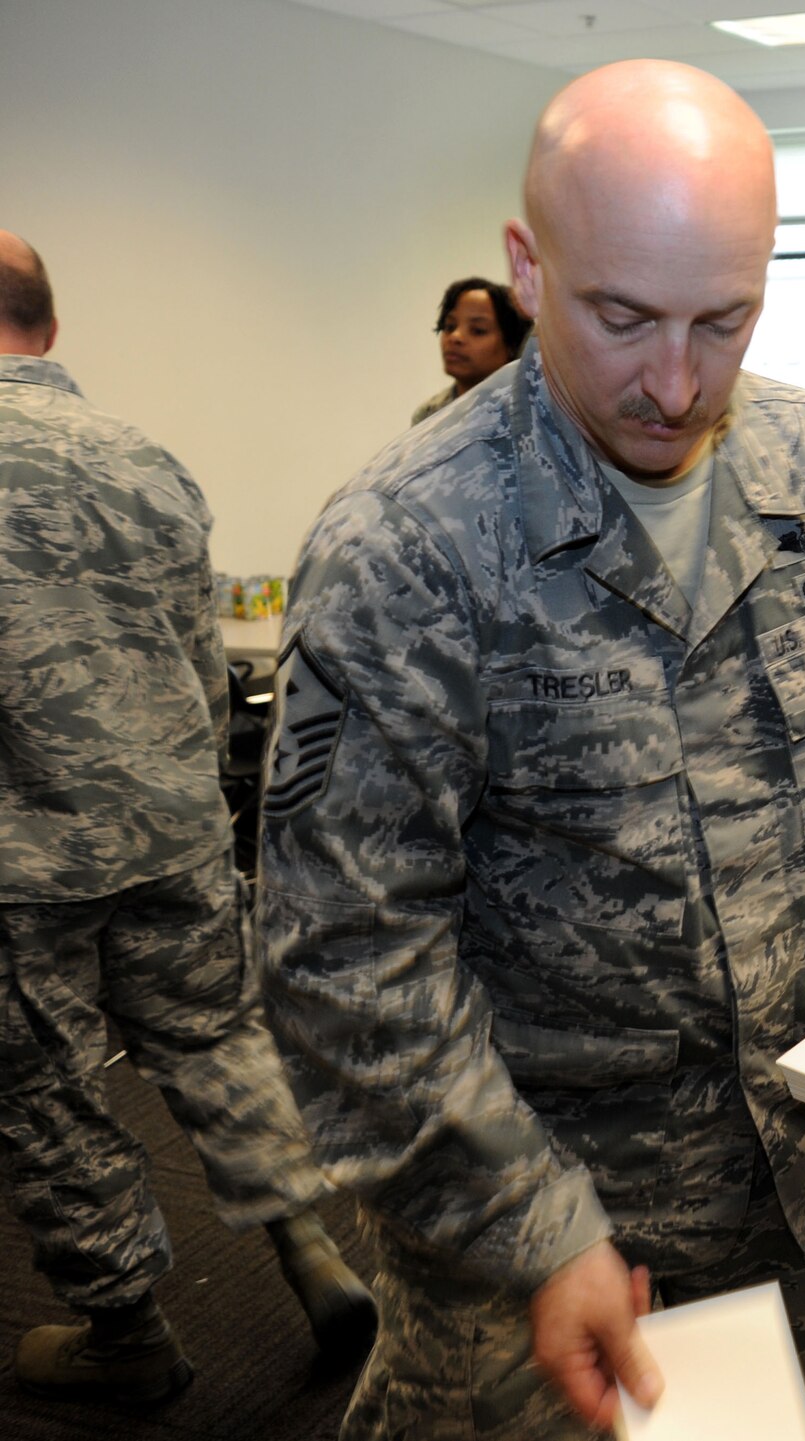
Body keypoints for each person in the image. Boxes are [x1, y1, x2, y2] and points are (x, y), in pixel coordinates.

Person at [257, 61, 805, 1441]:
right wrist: (533, 1226)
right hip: (537, 1234)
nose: (673, 381)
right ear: (528, 270)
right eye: (621, 317)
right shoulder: (408, 549)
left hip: (796, 1191)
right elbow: (342, 950)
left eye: (725, 320)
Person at [0, 231, 375, 1405]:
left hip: (25, 859)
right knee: (215, 1041)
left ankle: (126, 1334)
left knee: (49, 1093)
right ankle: (310, 1250)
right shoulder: (144, 457)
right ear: (49, 328)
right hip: (175, 826)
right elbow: (197, 660)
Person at [411, 276, 533, 425]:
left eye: (477, 330)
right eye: (450, 327)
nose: (455, 337)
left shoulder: (529, 413)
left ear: (512, 345)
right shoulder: (429, 414)